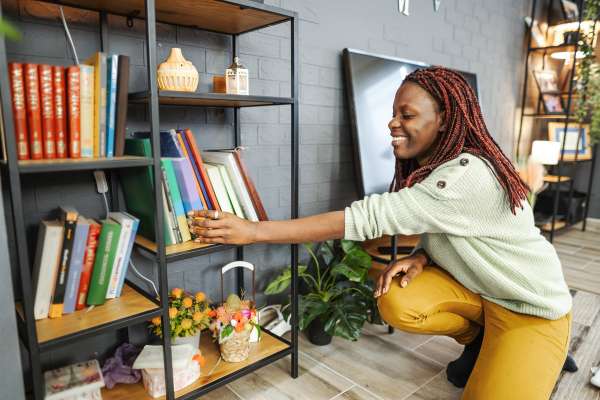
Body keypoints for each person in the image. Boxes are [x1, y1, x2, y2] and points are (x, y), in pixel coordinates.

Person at [188, 66, 574, 400]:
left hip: (530, 308)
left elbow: (366, 218)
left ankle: (542, 353)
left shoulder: (466, 174)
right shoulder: (440, 170)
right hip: (483, 292)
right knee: (397, 299)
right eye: (393, 113)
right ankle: (480, 340)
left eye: (407, 114)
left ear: (444, 118)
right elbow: (458, 226)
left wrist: (254, 232)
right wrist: (422, 256)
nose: (393, 123)